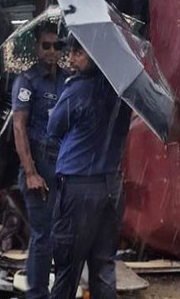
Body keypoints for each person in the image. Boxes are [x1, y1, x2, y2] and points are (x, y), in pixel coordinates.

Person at [47, 38, 132, 299]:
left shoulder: (77, 90)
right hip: (111, 188)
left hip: (79, 190)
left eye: (78, 52)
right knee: (103, 266)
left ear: (95, 55)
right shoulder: (123, 92)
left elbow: (53, 129)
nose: (70, 58)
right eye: (70, 52)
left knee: (68, 267)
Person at [12, 24, 67, 299]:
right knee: (43, 236)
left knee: (59, 234)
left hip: (63, 164)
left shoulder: (67, 80)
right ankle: (37, 294)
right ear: (37, 47)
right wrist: (31, 172)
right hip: (39, 163)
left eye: (57, 46)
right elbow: (19, 128)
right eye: (46, 46)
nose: (52, 51)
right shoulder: (27, 81)